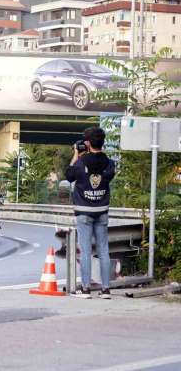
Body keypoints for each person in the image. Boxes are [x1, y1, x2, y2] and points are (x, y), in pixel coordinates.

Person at [66, 126, 116, 300]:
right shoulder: (109, 163)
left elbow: (69, 175)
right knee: (103, 250)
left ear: (87, 143)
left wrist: (76, 154)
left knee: (86, 250)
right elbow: (108, 176)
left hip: (84, 212)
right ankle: (106, 289)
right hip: (102, 211)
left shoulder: (80, 162)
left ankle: (86, 289)